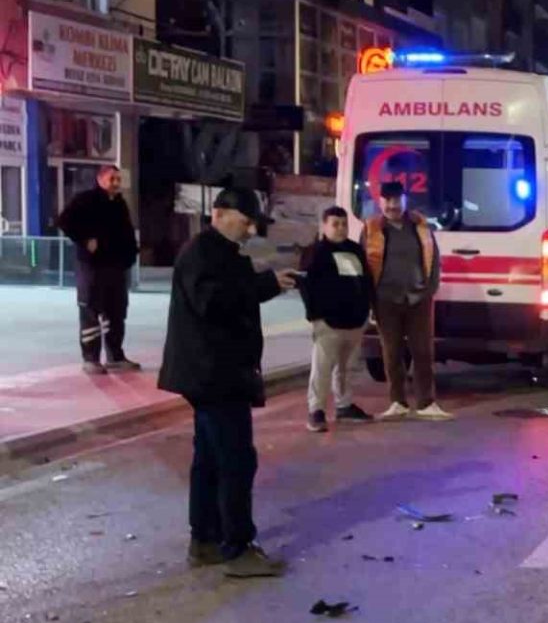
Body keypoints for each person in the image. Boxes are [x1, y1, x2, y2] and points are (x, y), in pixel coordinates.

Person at [158, 188, 299, 577]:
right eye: (246, 221)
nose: (250, 230)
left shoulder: (223, 252)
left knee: (210, 458)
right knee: (236, 459)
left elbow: (233, 294)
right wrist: (264, 285)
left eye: (254, 224)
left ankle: (205, 539)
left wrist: (267, 284)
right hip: (213, 374)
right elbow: (214, 302)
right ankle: (237, 547)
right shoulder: (202, 253)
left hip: (216, 372)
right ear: (218, 213)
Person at [359, 181, 452, 421]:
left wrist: (429, 289)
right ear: (380, 202)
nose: (392, 206)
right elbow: (364, 266)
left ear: (404, 200)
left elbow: (434, 260)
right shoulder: (371, 230)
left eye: (397, 200)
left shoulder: (421, 226)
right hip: (385, 300)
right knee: (392, 352)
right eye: (388, 201)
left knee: (423, 352)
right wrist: (369, 298)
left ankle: (426, 403)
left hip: (418, 298)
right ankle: (397, 402)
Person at [57, 165, 141, 375]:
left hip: (116, 267)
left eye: (118, 179)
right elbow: (64, 221)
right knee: (91, 309)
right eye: (112, 179)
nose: (116, 183)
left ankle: (115, 356)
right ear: (100, 179)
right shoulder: (86, 200)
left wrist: (131, 255)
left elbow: (127, 232)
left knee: (116, 311)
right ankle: (91, 358)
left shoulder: (119, 204)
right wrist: (85, 240)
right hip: (92, 267)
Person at [300, 206, 373, 433]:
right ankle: (316, 411)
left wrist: (367, 310)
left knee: (347, 368)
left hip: (355, 322)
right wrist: (316, 316)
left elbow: (367, 281)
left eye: (344, 224)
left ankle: (344, 405)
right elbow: (306, 287)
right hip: (328, 323)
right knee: (322, 369)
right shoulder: (315, 253)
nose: (340, 228)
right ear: (324, 226)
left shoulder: (356, 250)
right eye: (335, 224)